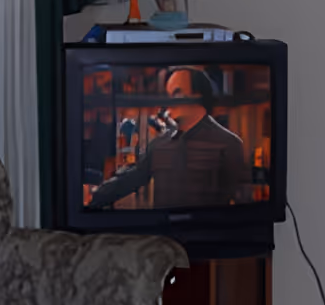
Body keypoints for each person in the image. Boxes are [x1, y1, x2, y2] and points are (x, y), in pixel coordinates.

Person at [89, 68, 249, 209]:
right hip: (162, 238)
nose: (169, 102)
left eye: (177, 93)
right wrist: (93, 196)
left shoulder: (228, 143)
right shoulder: (160, 144)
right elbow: (129, 179)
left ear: (198, 95)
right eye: (168, 95)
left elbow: (241, 201)